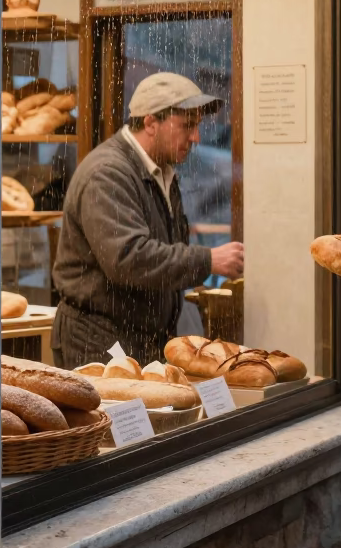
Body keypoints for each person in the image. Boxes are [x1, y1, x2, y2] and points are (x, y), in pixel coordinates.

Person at [52, 72, 244, 367]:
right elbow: (128, 258)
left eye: (197, 126)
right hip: (99, 342)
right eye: (187, 126)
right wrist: (207, 261)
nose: (196, 138)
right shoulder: (107, 174)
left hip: (139, 338)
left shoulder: (161, 171)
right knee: (110, 416)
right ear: (150, 123)